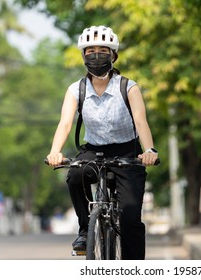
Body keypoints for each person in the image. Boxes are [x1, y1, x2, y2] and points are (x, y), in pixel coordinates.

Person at [46, 25, 159, 260]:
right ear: (83, 56)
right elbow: (65, 123)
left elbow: (141, 122)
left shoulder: (128, 87)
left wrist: (149, 150)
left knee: (129, 220)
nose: (96, 56)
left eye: (103, 51)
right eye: (90, 51)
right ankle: (86, 230)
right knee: (74, 175)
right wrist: (55, 152)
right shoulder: (76, 89)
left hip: (128, 152)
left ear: (113, 55)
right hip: (94, 150)